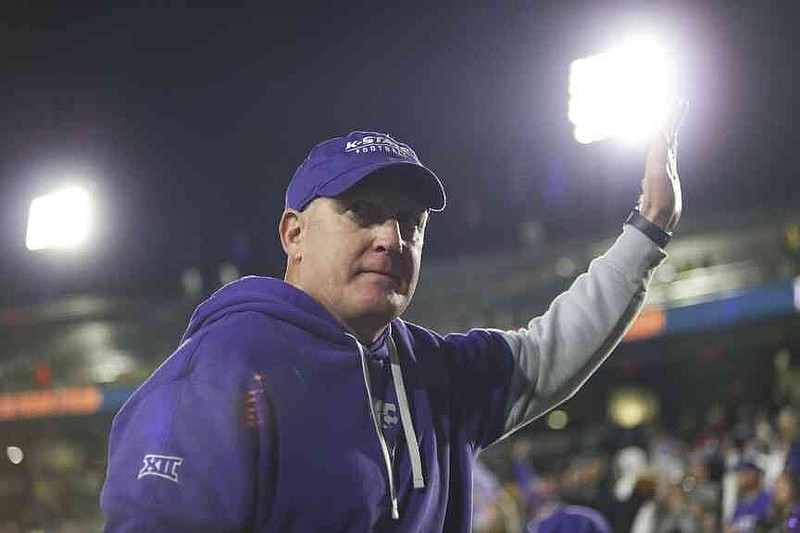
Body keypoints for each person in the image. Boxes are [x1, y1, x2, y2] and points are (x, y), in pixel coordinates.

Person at [100, 103, 685, 531]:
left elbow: (548, 352)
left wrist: (650, 225)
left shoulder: (432, 371)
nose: (392, 238)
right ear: (293, 233)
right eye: (363, 212)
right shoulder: (220, 369)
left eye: (410, 222)